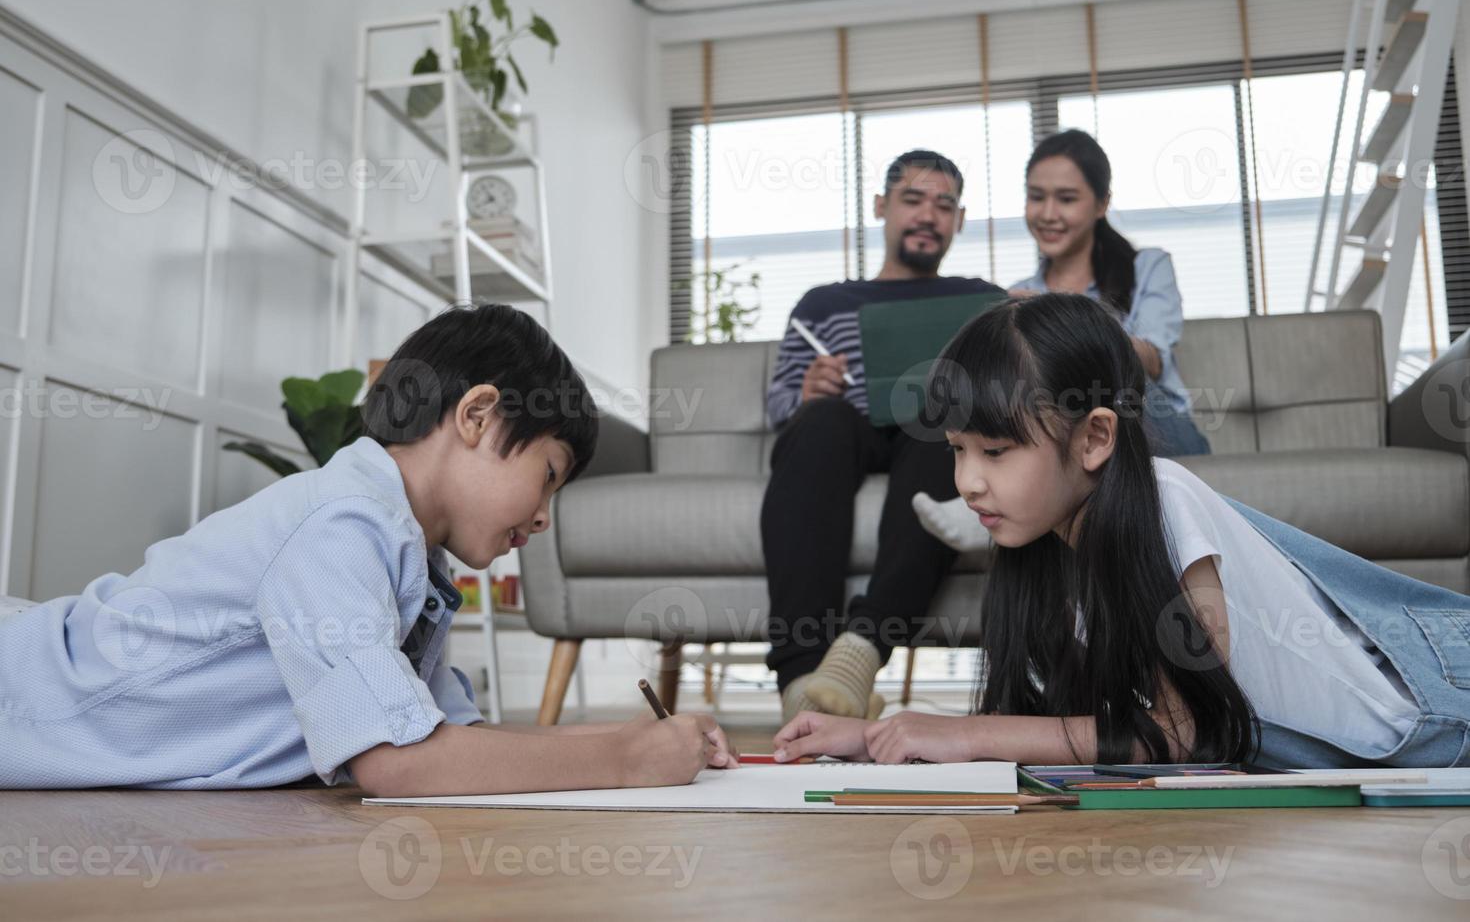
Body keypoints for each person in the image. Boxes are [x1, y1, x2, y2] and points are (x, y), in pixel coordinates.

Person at [0, 303, 737, 793]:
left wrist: (640, 734)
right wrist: (625, 759)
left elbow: (446, 738)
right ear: (477, 415)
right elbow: (398, 760)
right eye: (546, 478)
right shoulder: (343, 524)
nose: (544, 518)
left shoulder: (415, 561)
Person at [772, 294, 1470, 769]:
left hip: (1430, 732)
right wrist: (875, 736)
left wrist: (962, 733)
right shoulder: (1045, 546)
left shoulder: (1165, 503)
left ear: (1095, 437)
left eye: (995, 451)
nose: (968, 481)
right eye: (958, 449)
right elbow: (1076, 729)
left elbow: (1180, 731)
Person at [763, 149, 1004, 723]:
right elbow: (777, 407)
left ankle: (857, 657)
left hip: (931, 437)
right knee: (819, 422)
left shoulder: (981, 298)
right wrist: (806, 391)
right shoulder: (824, 304)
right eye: (913, 200)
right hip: (844, 433)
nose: (928, 215)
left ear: (959, 220)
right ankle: (802, 678)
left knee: (938, 422)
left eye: (944, 205)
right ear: (882, 206)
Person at [914, 128, 1211, 554]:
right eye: (1037, 197)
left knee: (1116, 392)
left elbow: (1153, 361)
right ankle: (1006, 496)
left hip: (1155, 418)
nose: (1048, 213)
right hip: (1068, 425)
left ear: (1102, 203)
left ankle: (996, 507)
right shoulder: (1019, 290)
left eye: (1067, 198)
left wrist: (1061, 315)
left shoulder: (1147, 267)